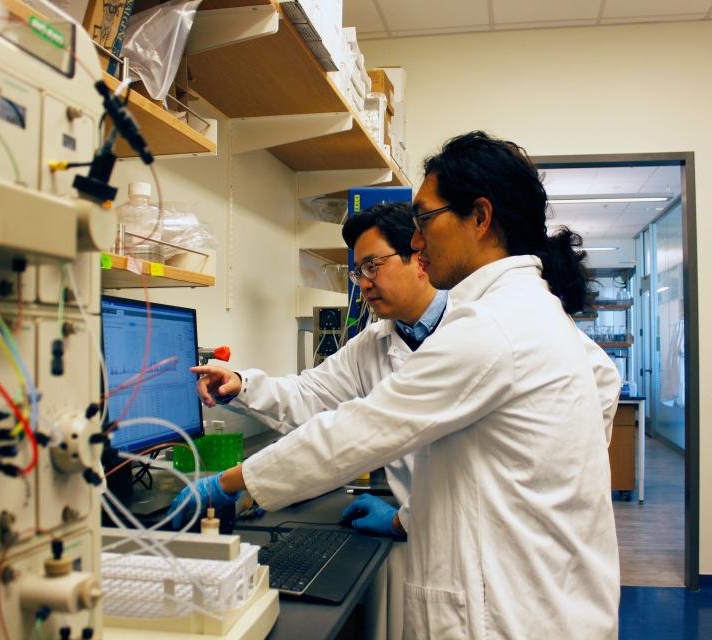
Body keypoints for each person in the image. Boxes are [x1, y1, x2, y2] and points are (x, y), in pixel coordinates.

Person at [175, 131, 621, 639]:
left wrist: (228, 485)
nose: (417, 239)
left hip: (513, 609)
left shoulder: (492, 327)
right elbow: (320, 399)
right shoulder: (518, 313)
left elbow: (357, 430)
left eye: (425, 220)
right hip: (532, 590)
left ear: (480, 217)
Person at [178, 202, 445, 536]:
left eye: (372, 266)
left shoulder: (464, 333)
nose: (363, 284)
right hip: (420, 529)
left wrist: (232, 482)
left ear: (419, 256)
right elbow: (310, 394)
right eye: (359, 271)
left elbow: (352, 433)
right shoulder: (373, 342)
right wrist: (240, 384)